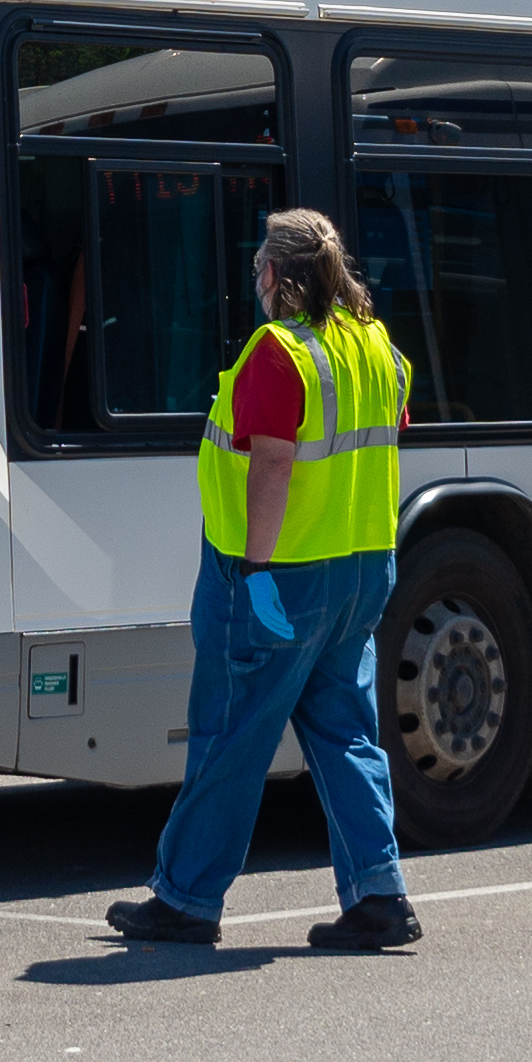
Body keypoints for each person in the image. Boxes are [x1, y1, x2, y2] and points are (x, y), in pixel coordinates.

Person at [107, 207, 423, 952]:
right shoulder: (376, 345)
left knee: (230, 731)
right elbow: (387, 432)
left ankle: (186, 898)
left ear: (279, 274)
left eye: (259, 268)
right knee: (346, 730)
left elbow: (274, 462)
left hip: (279, 573)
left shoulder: (280, 351)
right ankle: (379, 894)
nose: (256, 281)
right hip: (361, 567)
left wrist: (253, 570)